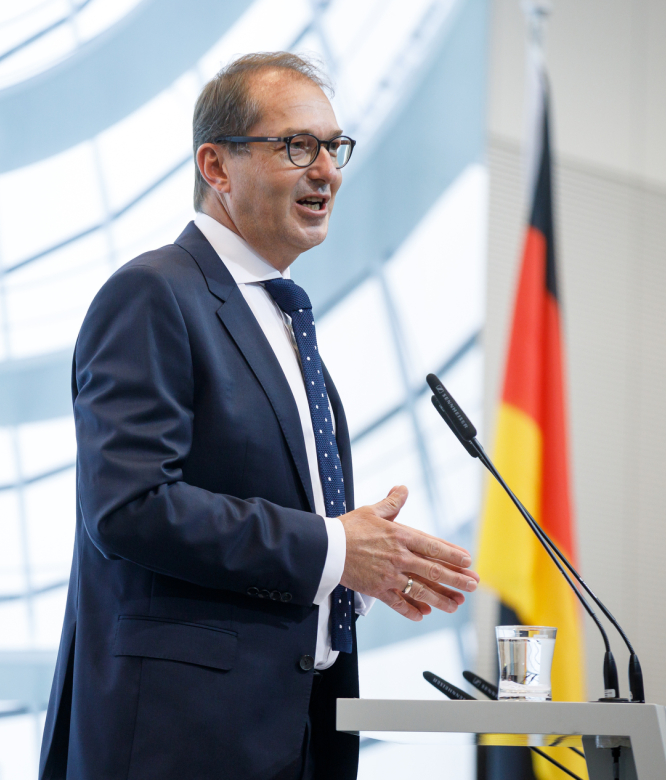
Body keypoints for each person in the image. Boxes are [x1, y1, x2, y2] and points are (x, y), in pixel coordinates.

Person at [38, 52, 480, 780]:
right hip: (178, 743)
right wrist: (334, 548)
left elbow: (285, 534)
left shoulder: (283, 322)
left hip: (295, 734)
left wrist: (358, 570)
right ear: (216, 166)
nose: (328, 172)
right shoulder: (153, 293)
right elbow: (130, 506)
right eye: (297, 146)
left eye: (333, 147)